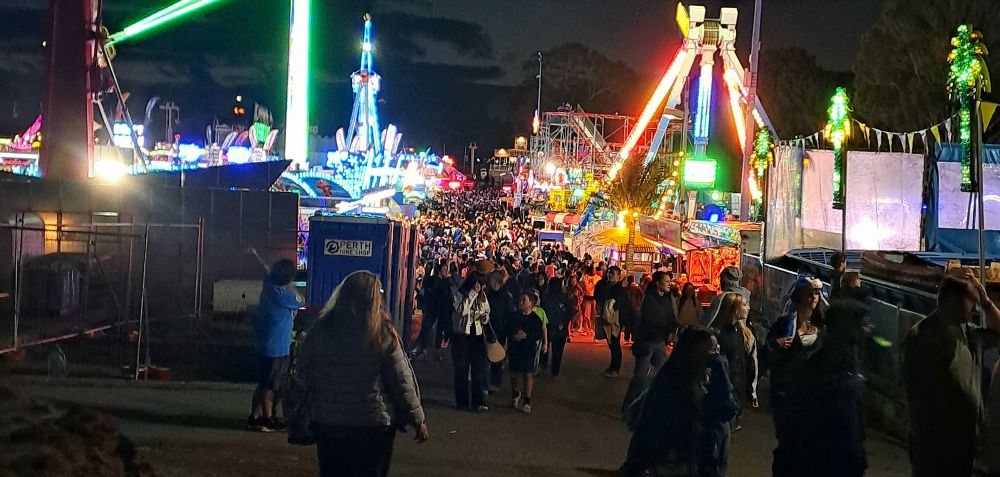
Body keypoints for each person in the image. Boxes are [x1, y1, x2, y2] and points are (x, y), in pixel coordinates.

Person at [298, 271, 428, 477]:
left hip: (329, 421)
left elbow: (303, 375)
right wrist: (417, 419)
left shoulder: (321, 329)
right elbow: (400, 381)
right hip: (372, 424)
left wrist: (296, 416)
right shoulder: (382, 333)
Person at [902, 271, 1000, 477]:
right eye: (971, 302)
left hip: (964, 441)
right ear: (952, 301)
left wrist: (986, 302)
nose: (975, 308)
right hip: (935, 446)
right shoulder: (922, 337)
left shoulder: (968, 333)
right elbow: (918, 398)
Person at [621, 326, 738, 477]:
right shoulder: (674, 382)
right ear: (694, 352)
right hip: (678, 463)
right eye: (711, 349)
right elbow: (650, 428)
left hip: (705, 463)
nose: (716, 355)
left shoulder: (706, 379)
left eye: (717, 348)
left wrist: (720, 370)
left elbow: (728, 409)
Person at [766, 276, 826, 477]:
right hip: (787, 394)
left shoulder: (822, 326)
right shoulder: (785, 324)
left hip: (813, 396)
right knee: (788, 444)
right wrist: (776, 345)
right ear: (799, 295)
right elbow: (767, 352)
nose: (813, 297)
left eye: (816, 293)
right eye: (810, 292)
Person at [247, 249, 301, 432]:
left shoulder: (269, 285)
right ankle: (267, 418)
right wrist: (291, 287)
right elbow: (301, 300)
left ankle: (254, 417)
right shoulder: (287, 296)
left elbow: (265, 270)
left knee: (263, 382)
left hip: (263, 343)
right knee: (270, 386)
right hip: (277, 347)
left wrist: (256, 256)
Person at [623, 271, 677, 411]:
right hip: (646, 341)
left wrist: (677, 326)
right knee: (640, 376)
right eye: (666, 281)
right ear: (658, 283)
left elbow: (670, 316)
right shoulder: (649, 299)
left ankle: (652, 404)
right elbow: (651, 319)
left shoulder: (666, 298)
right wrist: (667, 326)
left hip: (660, 341)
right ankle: (629, 405)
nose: (669, 284)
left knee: (661, 373)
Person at [710, 292, 759, 427]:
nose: (748, 308)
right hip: (724, 391)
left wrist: (751, 391)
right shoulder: (719, 334)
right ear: (734, 308)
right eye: (744, 305)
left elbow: (750, 363)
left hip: (737, 389)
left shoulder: (743, 332)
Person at [451, 273, 491, 412]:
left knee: (478, 369)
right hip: (462, 336)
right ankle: (462, 401)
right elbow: (461, 310)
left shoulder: (482, 296)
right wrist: (473, 294)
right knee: (461, 369)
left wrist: (483, 317)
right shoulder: (459, 294)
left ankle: (477, 401)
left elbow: (487, 312)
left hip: (477, 335)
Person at [509, 290, 546, 414]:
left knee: (528, 375)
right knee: (514, 374)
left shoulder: (535, 319)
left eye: (524, 300)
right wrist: (514, 336)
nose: (521, 302)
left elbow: (538, 334)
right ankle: (515, 393)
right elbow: (508, 329)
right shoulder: (514, 316)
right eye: (520, 299)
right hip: (515, 349)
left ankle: (527, 401)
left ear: (531, 303)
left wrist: (527, 337)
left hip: (528, 349)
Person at [485, 270, 515, 392]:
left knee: (496, 358)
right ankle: (487, 382)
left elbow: (510, 316)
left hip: (500, 330)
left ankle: (495, 382)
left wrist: (508, 336)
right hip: (489, 328)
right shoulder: (488, 294)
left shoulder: (506, 296)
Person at [596, 266, 625, 376]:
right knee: (611, 343)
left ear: (618, 275)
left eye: (613, 273)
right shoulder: (607, 286)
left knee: (614, 343)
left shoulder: (619, 289)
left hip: (615, 319)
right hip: (608, 317)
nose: (610, 275)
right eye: (609, 273)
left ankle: (615, 369)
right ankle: (613, 367)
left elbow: (620, 305)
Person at [542, 277, 572, 377]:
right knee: (558, 351)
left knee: (545, 346)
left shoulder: (546, 297)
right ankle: (555, 370)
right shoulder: (564, 297)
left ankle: (543, 364)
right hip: (560, 328)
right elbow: (569, 313)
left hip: (547, 327)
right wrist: (564, 323)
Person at [580, 266, 601, 333]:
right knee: (586, 314)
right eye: (593, 270)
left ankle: (592, 328)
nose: (594, 271)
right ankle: (586, 328)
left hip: (595, 298)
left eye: (595, 270)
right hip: (587, 297)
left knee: (594, 314)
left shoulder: (598, 278)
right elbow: (581, 285)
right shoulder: (585, 277)